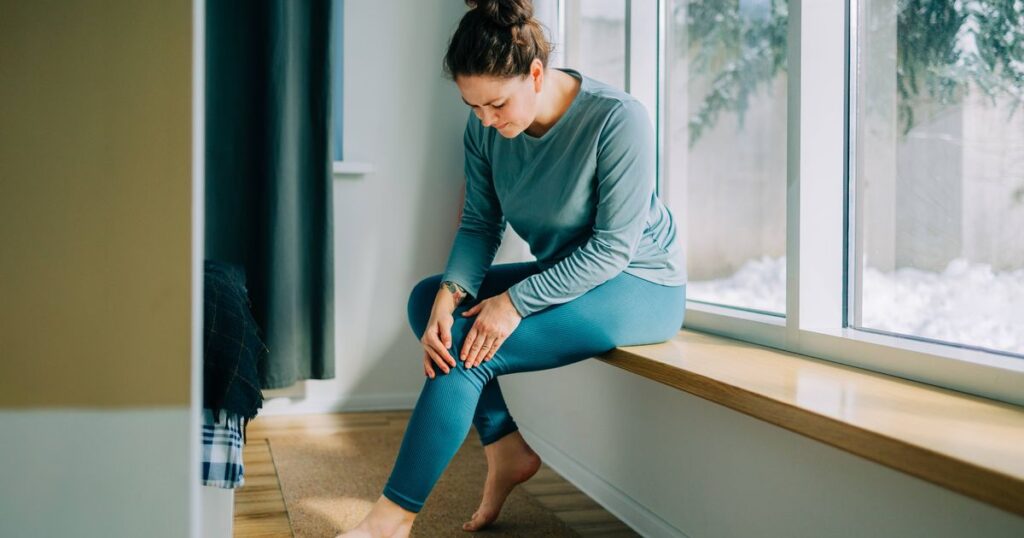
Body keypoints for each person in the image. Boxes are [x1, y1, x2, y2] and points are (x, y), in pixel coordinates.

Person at [337, 0, 687, 536]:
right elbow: (480, 224)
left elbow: (613, 249)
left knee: (464, 350)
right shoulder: (483, 129)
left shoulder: (617, 119)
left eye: (496, 104)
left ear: (537, 74)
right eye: (473, 106)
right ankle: (505, 448)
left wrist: (514, 302)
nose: (486, 120)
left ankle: (391, 519)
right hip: (569, 274)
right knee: (428, 300)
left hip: (638, 283)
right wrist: (453, 290)